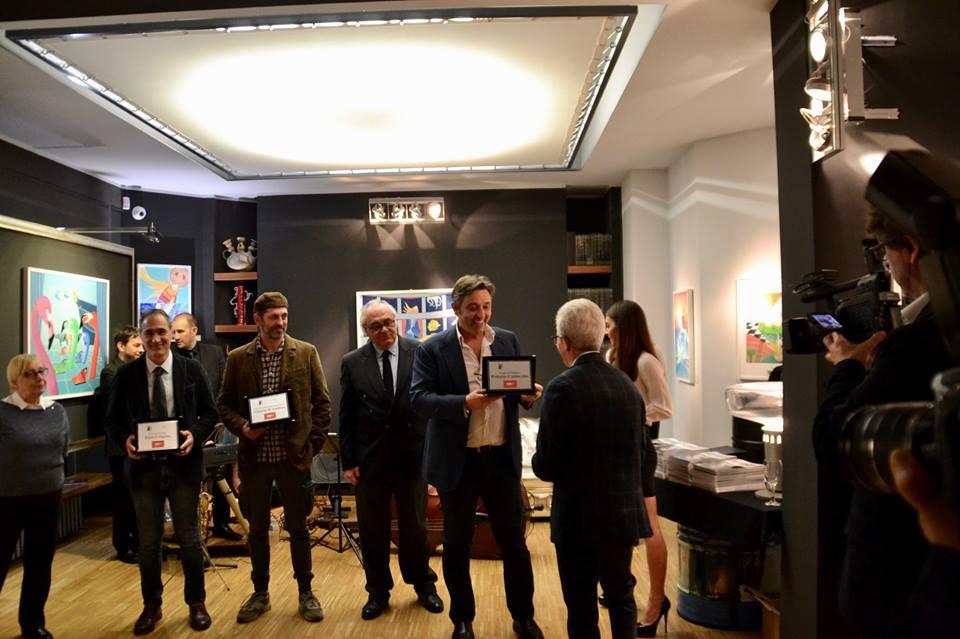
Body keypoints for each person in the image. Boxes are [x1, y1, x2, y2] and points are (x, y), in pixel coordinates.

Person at [813, 207, 950, 637]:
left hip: (900, 570)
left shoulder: (915, 342)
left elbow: (833, 438)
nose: (885, 264)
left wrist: (847, 366)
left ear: (910, 249)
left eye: (883, 251)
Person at [410, 274, 544, 639]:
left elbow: (513, 390)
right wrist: (464, 403)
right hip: (458, 463)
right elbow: (419, 400)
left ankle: (524, 617)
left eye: (486, 307)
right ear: (455, 308)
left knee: (514, 544)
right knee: (456, 545)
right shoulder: (431, 349)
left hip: (500, 459)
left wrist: (527, 396)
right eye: (472, 307)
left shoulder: (507, 340)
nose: (481, 314)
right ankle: (462, 620)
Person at [532, 299, 650, 639]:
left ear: (564, 342)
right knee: (621, 596)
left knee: (582, 607)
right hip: (622, 516)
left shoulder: (561, 387)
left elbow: (546, 465)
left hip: (578, 521)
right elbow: (641, 454)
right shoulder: (627, 386)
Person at [218, 292, 330, 625]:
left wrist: (312, 447)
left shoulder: (306, 352)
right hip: (255, 460)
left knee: (299, 528)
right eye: (273, 317)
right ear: (258, 319)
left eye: (284, 316)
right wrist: (243, 427)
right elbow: (224, 404)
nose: (280, 322)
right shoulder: (238, 358)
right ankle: (260, 593)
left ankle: (306, 592)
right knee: (256, 530)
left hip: (293, 458)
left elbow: (322, 404)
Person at [105, 309, 218, 635]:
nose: (155, 339)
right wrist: (125, 440)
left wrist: (194, 435)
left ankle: (196, 603)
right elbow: (111, 420)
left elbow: (210, 414)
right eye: (149, 333)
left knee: (190, 539)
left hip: (183, 469)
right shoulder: (127, 375)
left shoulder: (192, 369)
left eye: (161, 332)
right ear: (142, 337)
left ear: (171, 334)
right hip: (144, 472)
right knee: (148, 543)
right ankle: (151, 605)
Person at [339, 300, 443, 620]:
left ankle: (424, 585)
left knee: (415, 528)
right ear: (365, 330)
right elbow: (347, 414)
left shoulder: (420, 352)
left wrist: (435, 457)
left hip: (413, 457)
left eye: (388, 322)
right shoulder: (352, 362)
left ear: (397, 322)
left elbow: (432, 406)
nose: (384, 329)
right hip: (370, 461)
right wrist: (348, 461)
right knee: (372, 530)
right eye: (376, 325)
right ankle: (377, 592)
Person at [604, 300, 673, 635]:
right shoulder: (612, 357)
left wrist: (632, 416)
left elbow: (664, 407)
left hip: (640, 449)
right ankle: (622, 588)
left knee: (649, 526)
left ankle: (657, 601)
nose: (606, 331)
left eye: (609, 325)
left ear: (623, 327)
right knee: (621, 524)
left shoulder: (646, 361)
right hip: (617, 448)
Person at [0, 354, 69, 639]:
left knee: (39, 565)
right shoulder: (4, 412)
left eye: (42, 372)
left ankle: (33, 625)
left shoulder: (56, 411)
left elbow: (62, 449)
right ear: (14, 380)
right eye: (31, 374)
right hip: (7, 501)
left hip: (47, 498)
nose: (39, 378)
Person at [171, 312, 240, 541]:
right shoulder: (171, 357)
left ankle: (221, 523)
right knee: (189, 480)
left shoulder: (214, 352)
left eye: (180, 331)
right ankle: (189, 530)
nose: (175, 336)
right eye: (173, 331)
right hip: (186, 428)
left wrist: (218, 417)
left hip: (217, 423)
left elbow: (225, 387)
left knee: (223, 473)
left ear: (194, 331)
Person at [91, 325, 144, 564]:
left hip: (137, 442)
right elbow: (121, 406)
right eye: (136, 345)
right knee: (123, 497)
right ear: (121, 346)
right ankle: (123, 545)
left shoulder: (137, 369)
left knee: (137, 496)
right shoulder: (111, 372)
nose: (141, 349)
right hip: (119, 445)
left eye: (141, 345)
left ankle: (139, 541)